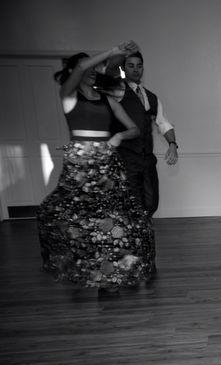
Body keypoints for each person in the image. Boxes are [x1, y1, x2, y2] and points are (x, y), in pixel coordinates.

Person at [37, 42, 156, 293]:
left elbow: (133, 128)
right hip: (80, 167)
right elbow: (81, 65)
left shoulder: (107, 99)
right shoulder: (68, 97)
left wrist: (119, 137)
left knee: (117, 221)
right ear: (74, 73)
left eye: (94, 68)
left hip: (107, 165)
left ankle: (110, 277)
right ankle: (80, 269)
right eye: (87, 68)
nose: (92, 71)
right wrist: (112, 53)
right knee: (72, 221)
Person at [113, 51, 179, 217]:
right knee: (131, 205)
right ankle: (136, 239)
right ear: (123, 68)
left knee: (151, 204)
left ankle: (143, 234)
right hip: (126, 159)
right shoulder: (117, 92)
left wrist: (172, 145)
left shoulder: (151, 97)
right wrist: (119, 52)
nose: (136, 69)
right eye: (131, 65)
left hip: (147, 160)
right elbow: (108, 71)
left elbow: (163, 123)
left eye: (139, 66)